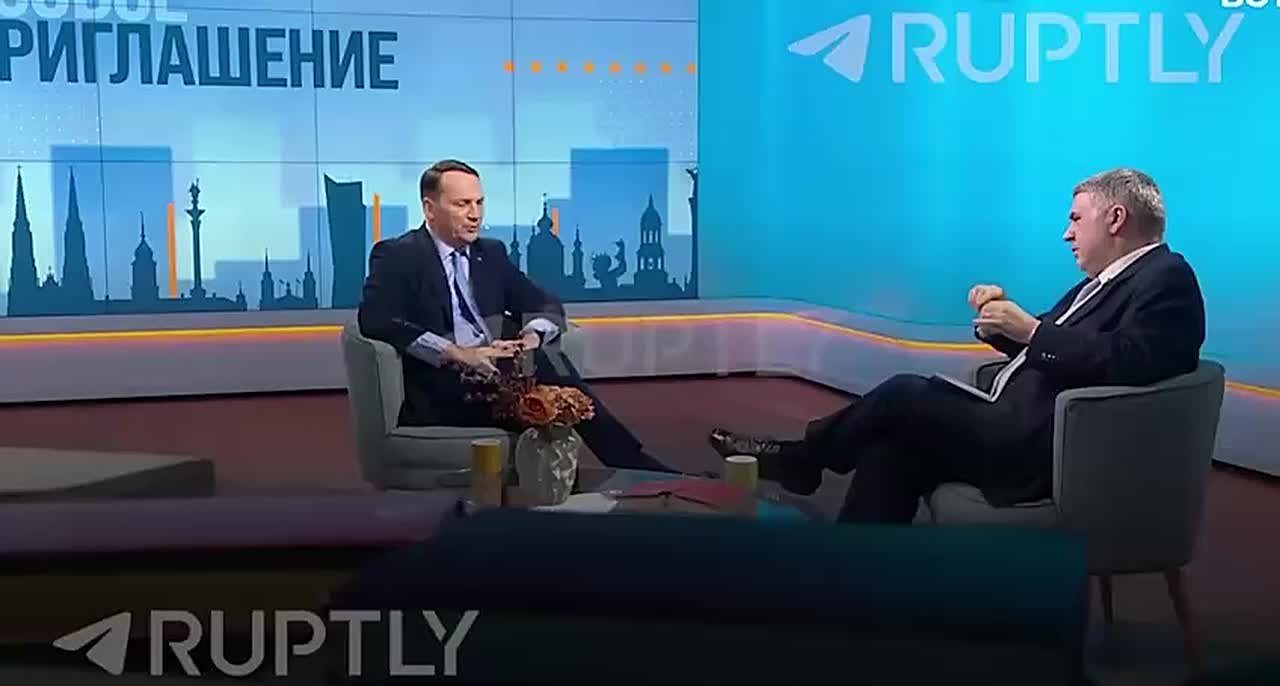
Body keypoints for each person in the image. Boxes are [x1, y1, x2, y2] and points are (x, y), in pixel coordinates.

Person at [708, 167, 1206, 522]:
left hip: (1047, 447)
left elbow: (1133, 361)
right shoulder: (1102, 282)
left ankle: (804, 458)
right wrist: (1000, 326)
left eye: (1076, 220)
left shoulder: (1167, 278)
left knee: (905, 393)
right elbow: (1065, 347)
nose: (1066, 234)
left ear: (1116, 219)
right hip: (1011, 424)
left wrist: (1031, 332)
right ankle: (854, 581)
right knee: (891, 449)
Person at [357, 159, 674, 473]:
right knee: (550, 393)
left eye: (479, 203)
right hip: (444, 383)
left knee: (546, 366)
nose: (475, 214)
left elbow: (543, 302)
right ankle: (630, 467)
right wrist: (457, 353)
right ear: (429, 208)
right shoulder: (398, 255)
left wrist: (531, 336)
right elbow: (376, 319)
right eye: (462, 204)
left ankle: (614, 470)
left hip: (501, 372)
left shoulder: (489, 253)